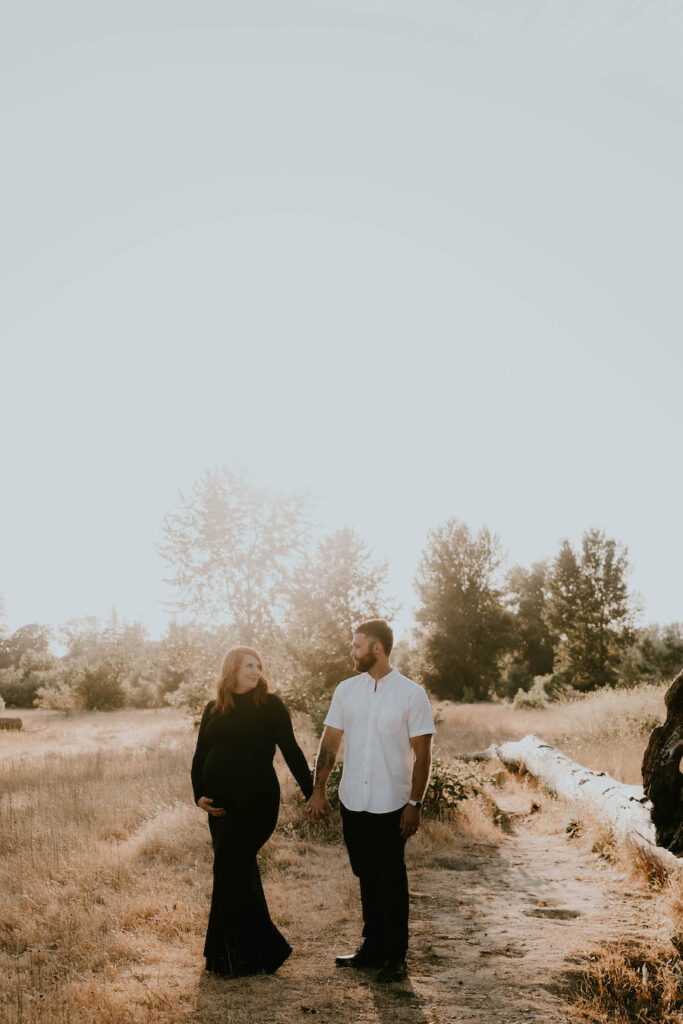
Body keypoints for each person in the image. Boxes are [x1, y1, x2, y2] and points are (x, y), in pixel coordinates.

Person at [305, 619, 435, 983]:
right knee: (365, 874)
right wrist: (319, 789)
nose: (352, 652)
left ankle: (396, 957)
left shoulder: (411, 693)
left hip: (393, 802)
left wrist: (415, 802)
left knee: (391, 878)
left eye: (357, 645)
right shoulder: (346, 691)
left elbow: (423, 755)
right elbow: (329, 743)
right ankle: (372, 948)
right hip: (353, 800)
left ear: (377, 648)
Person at [191, 645, 313, 977]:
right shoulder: (213, 708)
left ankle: (256, 952)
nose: (256, 671)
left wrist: (312, 791)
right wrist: (198, 795)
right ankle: (239, 956)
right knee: (233, 871)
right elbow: (201, 754)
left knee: (231, 866)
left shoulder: (269, 705)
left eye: (259, 665)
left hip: (257, 802)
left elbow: (291, 749)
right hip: (219, 807)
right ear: (232, 669)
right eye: (249, 665)